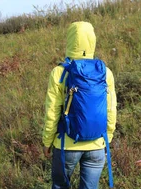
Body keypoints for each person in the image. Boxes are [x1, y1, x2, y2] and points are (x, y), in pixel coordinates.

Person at [42, 21, 117, 189]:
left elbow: (52, 112)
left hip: (66, 144)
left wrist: (47, 142)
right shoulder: (106, 73)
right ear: (92, 41)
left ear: (70, 41)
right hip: (97, 144)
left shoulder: (59, 73)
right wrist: (108, 138)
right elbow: (111, 110)